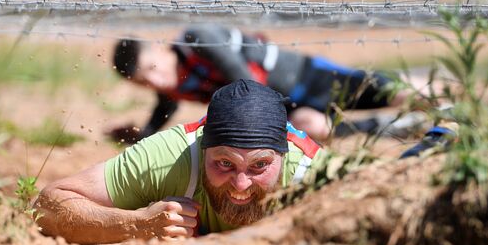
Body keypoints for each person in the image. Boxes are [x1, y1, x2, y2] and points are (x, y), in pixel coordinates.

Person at [34, 80, 325, 245]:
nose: (241, 184)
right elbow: (47, 206)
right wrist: (137, 225)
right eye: (224, 163)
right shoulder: (171, 157)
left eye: (259, 166)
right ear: (203, 147)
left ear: (285, 156)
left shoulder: (313, 173)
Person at [109, 24, 414, 143]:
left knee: (396, 93)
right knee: (318, 129)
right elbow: (166, 107)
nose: (155, 81)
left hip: (308, 78)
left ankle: (446, 101)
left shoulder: (196, 40)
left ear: (160, 48)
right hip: (283, 104)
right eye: (144, 83)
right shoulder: (173, 85)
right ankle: (386, 126)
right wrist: (141, 136)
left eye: (152, 69)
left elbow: (245, 80)